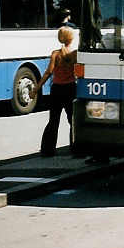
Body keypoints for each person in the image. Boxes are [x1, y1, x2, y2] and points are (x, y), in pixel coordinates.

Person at [33, 26, 77, 156]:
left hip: (56, 90)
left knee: (53, 120)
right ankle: (75, 149)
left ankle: (48, 150)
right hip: (70, 89)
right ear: (71, 38)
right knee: (72, 120)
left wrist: (36, 89)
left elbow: (48, 73)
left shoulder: (55, 54)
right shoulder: (75, 54)